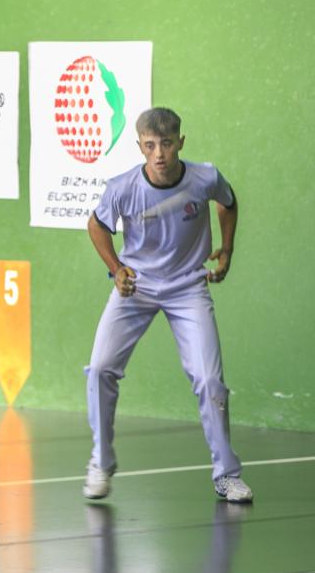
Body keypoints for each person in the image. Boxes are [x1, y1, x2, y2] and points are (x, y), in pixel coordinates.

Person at [83, 107, 251, 503]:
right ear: (140, 145)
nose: (159, 154)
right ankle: (101, 462)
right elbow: (97, 225)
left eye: (167, 144)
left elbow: (227, 202)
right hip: (136, 287)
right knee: (101, 369)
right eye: (150, 145)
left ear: (180, 142)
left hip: (187, 288)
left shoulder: (204, 178)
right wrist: (117, 269)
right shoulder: (123, 187)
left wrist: (226, 249)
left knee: (210, 381)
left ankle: (227, 475)